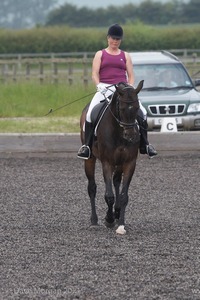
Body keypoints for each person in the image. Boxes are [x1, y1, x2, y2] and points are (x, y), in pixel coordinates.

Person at [77, 24, 157, 159]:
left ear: (121, 40)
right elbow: (94, 73)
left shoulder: (125, 55)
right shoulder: (100, 54)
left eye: (118, 39)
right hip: (104, 88)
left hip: (123, 89)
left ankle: (145, 144)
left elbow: (131, 74)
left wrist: (129, 87)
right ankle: (87, 146)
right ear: (108, 38)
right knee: (90, 114)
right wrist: (99, 85)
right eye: (113, 38)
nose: (115, 41)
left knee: (142, 112)